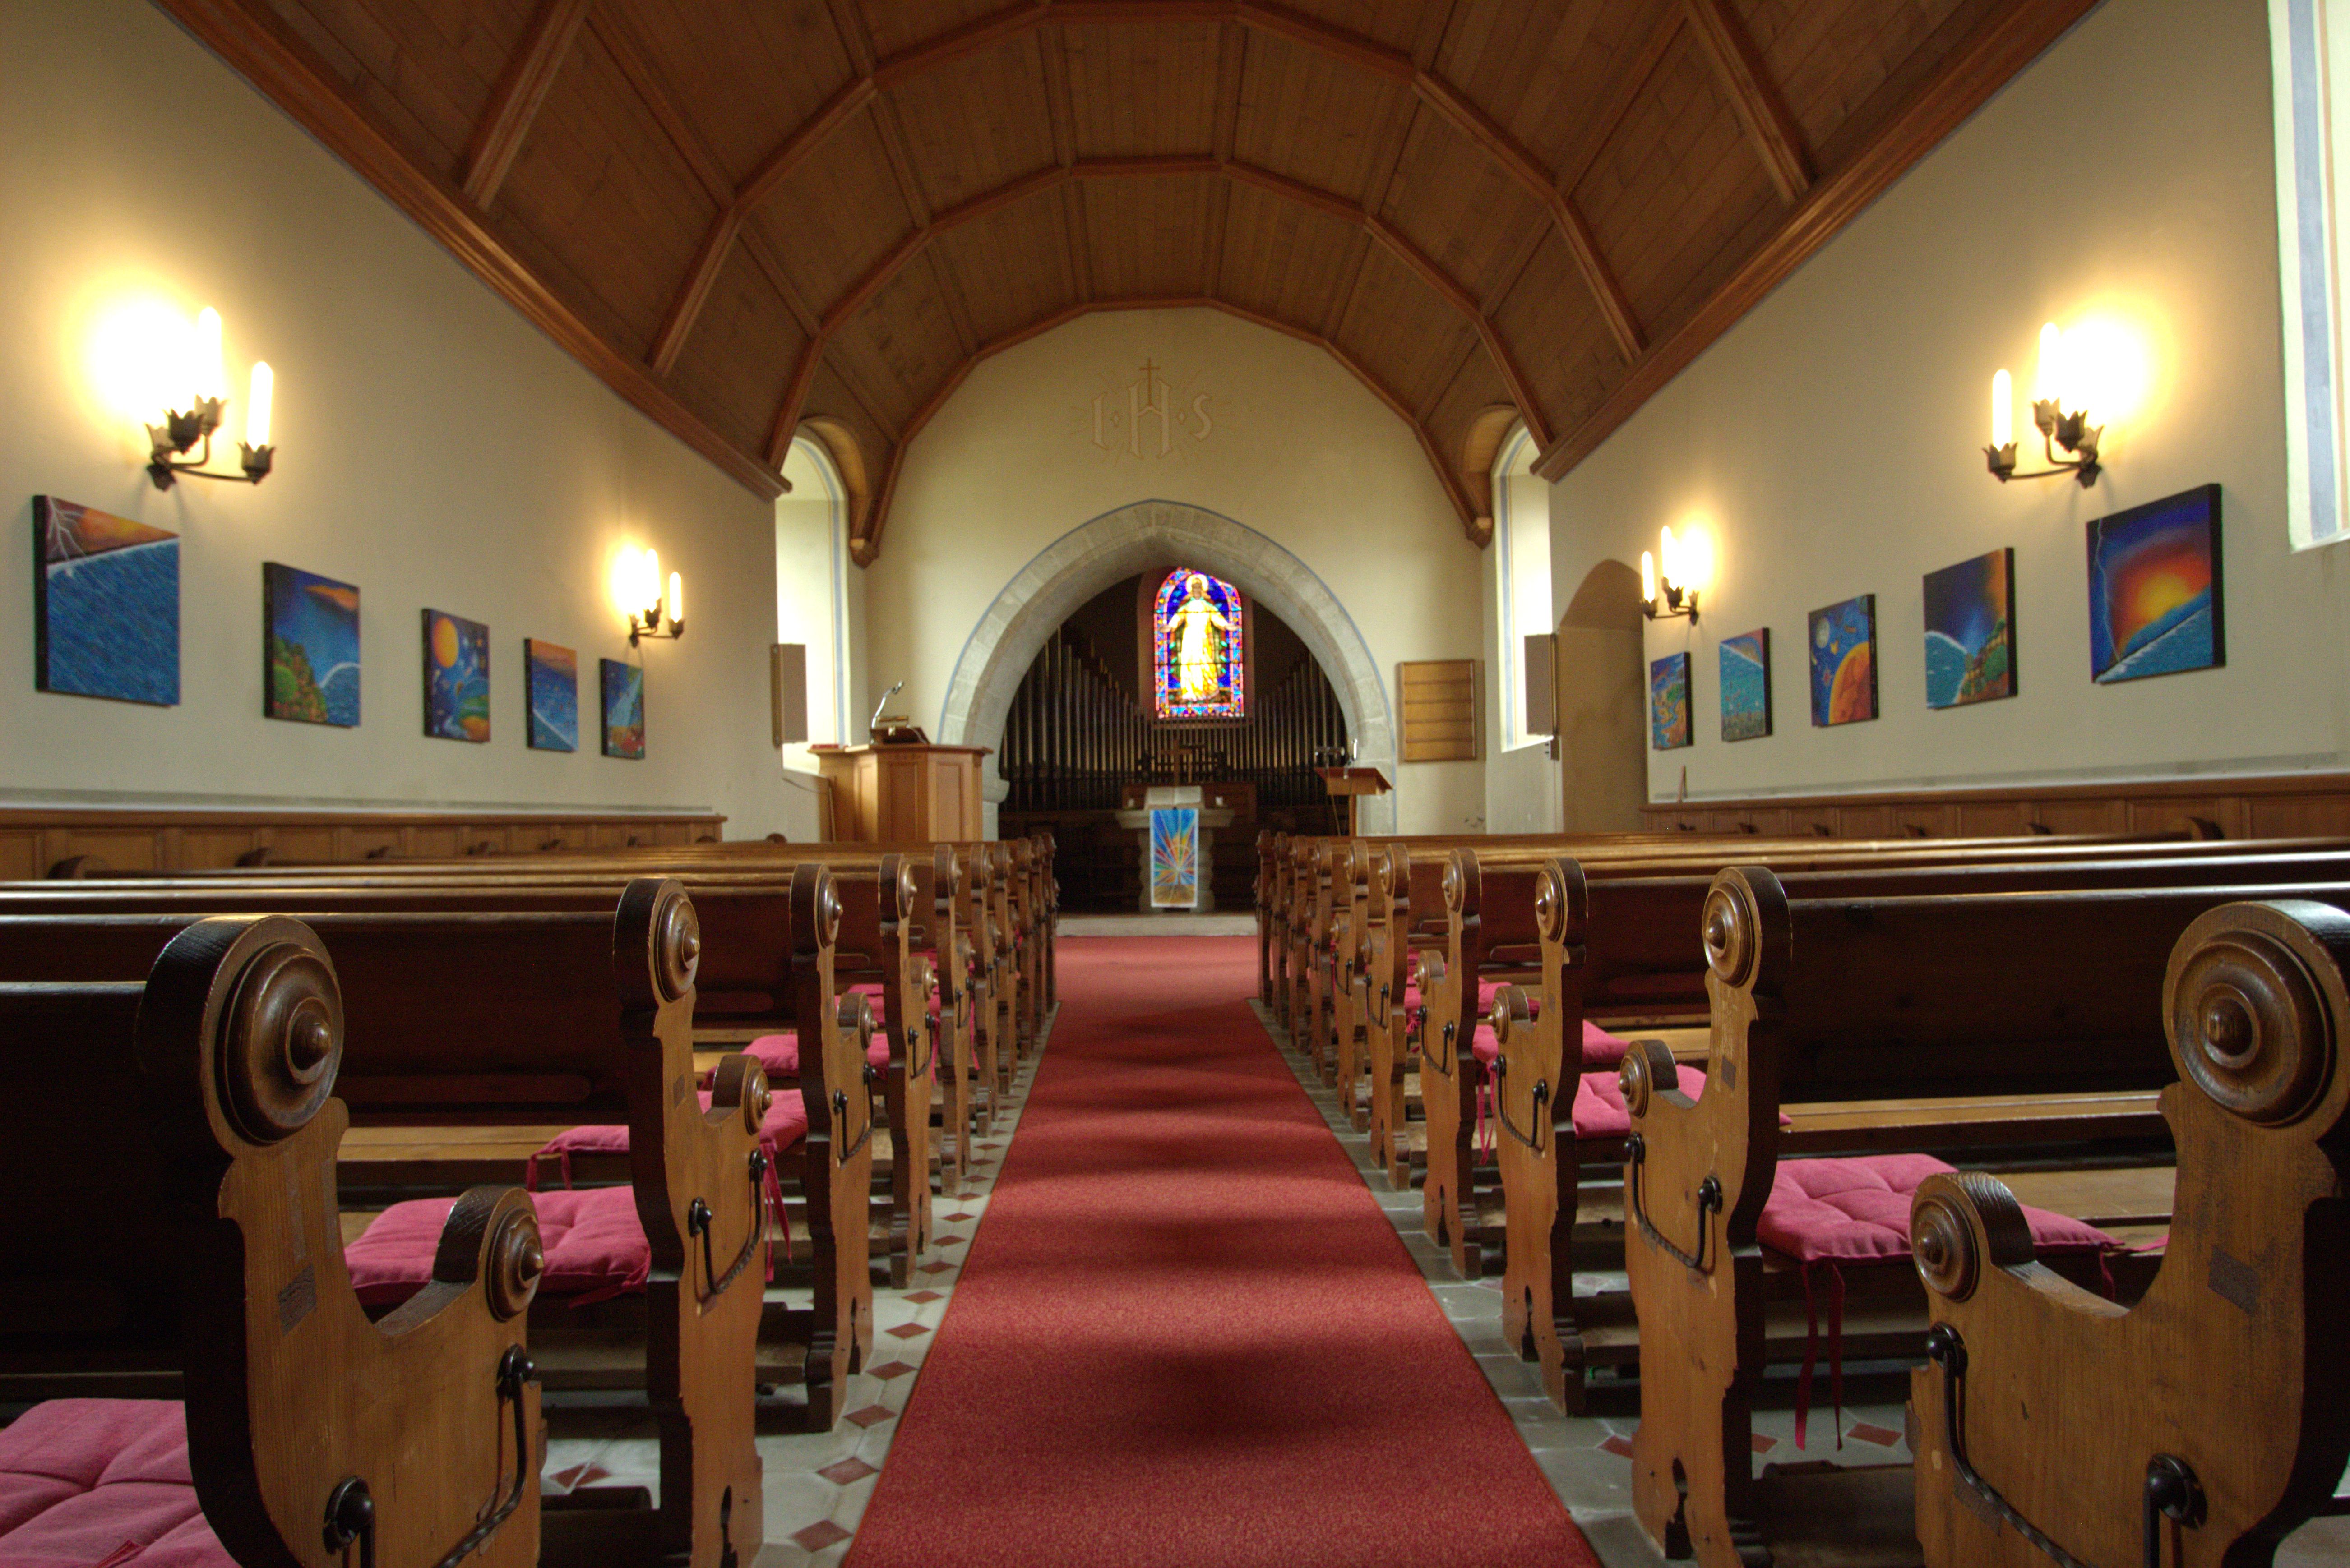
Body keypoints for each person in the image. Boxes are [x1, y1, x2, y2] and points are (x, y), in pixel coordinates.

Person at [1168, 573, 1234, 704]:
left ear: (1202, 590)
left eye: (1199, 588)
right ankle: (1190, 693)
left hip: (1204, 638)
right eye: (1195, 588)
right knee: (1189, 664)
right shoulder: (1187, 606)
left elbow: (1217, 618)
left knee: (1206, 662)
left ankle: (1209, 691)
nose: (1197, 590)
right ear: (1191, 590)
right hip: (1190, 638)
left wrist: (1226, 625)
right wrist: (1170, 626)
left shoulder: (1207, 606)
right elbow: (1178, 618)